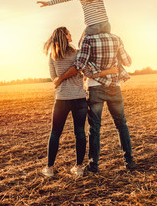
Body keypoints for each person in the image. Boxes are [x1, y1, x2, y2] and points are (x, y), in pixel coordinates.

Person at [54, 32, 136, 172]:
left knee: (95, 127)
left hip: (95, 87)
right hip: (114, 86)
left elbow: (80, 64)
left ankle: (93, 165)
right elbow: (127, 62)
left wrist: (60, 78)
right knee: (121, 124)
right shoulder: (115, 38)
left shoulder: (87, 39)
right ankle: (129, 162)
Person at [41, 27, 118, 177]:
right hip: (79, 99)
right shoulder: (78, 54)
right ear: (64, 36)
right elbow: (89, 73)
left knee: (55, 133)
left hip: (61, 99)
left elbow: (54, 79)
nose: (71, 34)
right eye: (69, 33)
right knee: (80, 132)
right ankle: (79, 167)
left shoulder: (52, 56)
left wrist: (62, 78)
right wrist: (109, 71)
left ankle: (49, 168)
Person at [37, 0, 145, 45]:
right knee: (106, 44)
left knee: (81, 44)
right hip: (106, 25)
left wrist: (48, 3)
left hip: (93, 26)